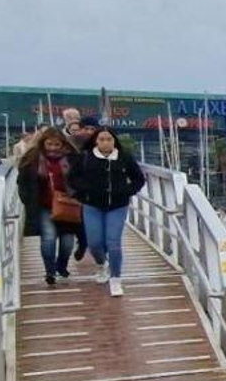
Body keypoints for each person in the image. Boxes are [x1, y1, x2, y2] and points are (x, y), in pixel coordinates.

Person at [68, 127, 145, 297]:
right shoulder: (86, 157)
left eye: (109, 139)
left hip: (118, 205)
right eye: (101, 139)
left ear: (114, 141)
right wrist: (85, 190)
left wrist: (127, 190)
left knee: (113, 242)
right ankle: (102, 264)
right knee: (95, 243)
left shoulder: (124, 157)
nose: (105, 142)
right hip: (92, 205)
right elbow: (72, 178)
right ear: (96, 141)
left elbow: (139, 178)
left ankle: (116, 279)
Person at [15, 128, 82, 285]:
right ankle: (49, 271)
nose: (52, 148)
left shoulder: (72, 159)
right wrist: (28, 201)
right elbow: (22, 183)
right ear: (43, 143)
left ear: (62, 144)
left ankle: (62, 265)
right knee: (49, 238)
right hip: (44, 205)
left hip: (68, 205)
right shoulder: (32, 159)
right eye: (49, 144)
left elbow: (82, 179)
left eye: (56, 144)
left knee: (67, 243)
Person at [62, 110, 97, 263]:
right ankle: (83, 242)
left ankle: (91, 246)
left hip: (96, 188)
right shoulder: (68, 141)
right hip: (76, 187)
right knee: (79, 218)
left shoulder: (101, 141)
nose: (89, 132)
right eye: (86, 128)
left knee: (92, 219)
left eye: (92, 129)